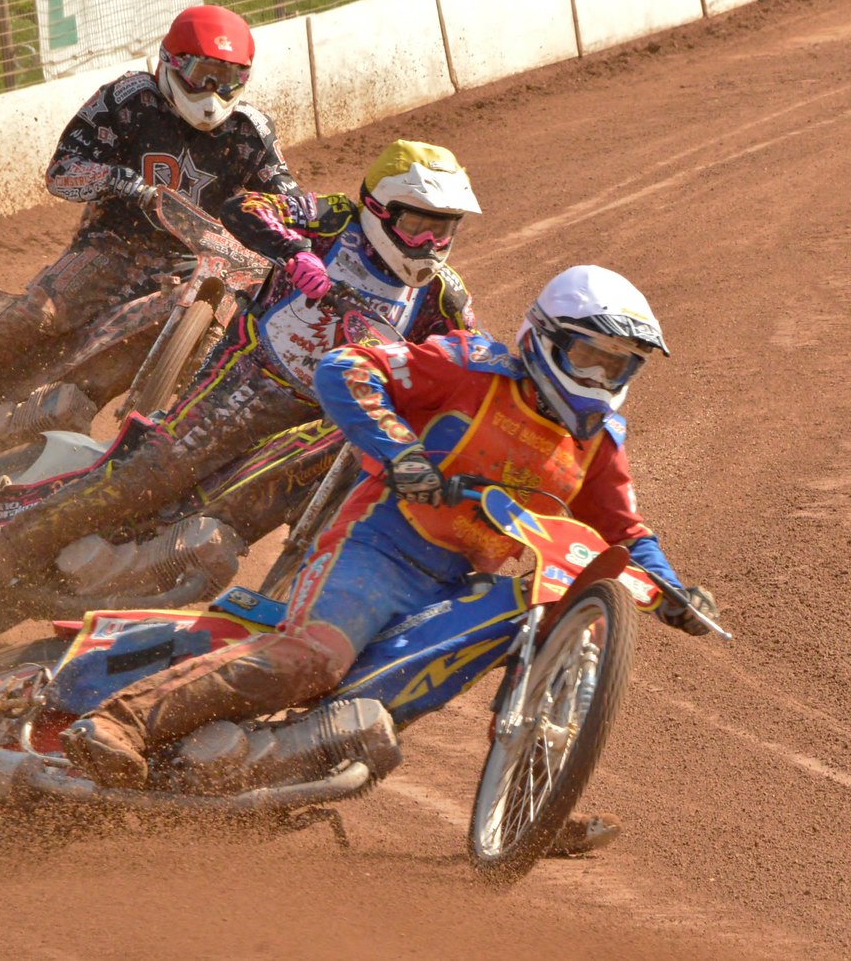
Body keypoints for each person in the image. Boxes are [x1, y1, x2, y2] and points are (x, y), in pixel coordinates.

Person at [56, 264, 719, 855]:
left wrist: (670, 587)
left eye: (621, 366)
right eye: (591, 357)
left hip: (462, 579)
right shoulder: (470, 364)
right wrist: (402, 453)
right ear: (544, 337)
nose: (604, 377)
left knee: (390, 709)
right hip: (376, 547)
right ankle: (122, 721)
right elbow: (348, 369)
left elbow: (624, 531)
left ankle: (531, 809)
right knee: (313, 659)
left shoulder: (599, 439)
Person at [0, 138, 483, 588]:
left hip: (330, 418)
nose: (431, 243)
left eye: (444, 230)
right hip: (252, 377)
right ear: (381, 210)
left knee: (256, 509)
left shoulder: (441, 295)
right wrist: (296, 252)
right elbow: (245, 207)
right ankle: (3, 551)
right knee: (150, 475)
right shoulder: (331, 219)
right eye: (418, 226)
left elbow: (466, 363)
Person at [0, 4, 299, 446]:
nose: (213, 91)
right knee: (39, 316)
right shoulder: (129, 99)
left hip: (193, 267)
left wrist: (308, 221)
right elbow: (61, 170)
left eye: (229, 79)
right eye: (205, 73)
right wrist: (118, 180)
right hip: (112, 247)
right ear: (173, 63)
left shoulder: (250, 131)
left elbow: (287, 195)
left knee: (226, 342)